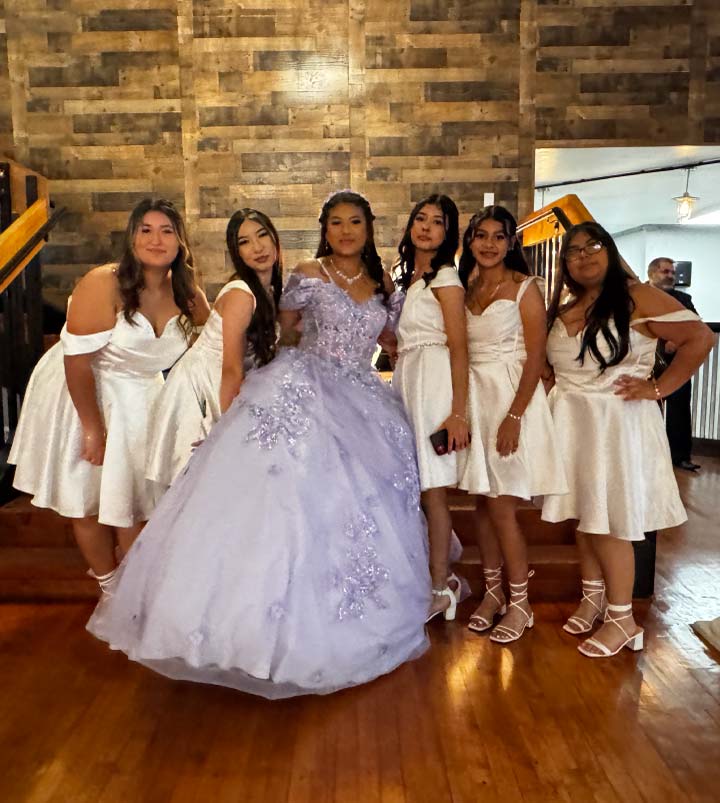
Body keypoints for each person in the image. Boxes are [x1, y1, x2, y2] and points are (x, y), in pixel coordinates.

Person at [87, 190, 431, 699]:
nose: (345, 231)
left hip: (362, 396)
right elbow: (281, 334)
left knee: (356, 497)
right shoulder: (307, 275)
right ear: (324, 228)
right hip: (305, 381)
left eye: (354, 221)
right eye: (335, 222)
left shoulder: (383, 283)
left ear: (368, 227)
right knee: (279, 489)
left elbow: (395, 338)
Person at [9, 199, 210, 594]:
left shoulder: (190, 295)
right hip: (83, 390)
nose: (156, 239)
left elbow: (214, 351)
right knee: (85, 495)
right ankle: (110, 585)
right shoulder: (104, 282)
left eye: (167, 230)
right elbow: (78, 362)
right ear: (131, 237)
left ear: (180, 241)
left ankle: (136, 589)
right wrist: (91, 428)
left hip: (142, 397)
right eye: (146, 230)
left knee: (130, 497)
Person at [542, 222, 714, 658]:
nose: (583, 256)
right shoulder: (570, 303)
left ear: (610, 250)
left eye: (593, 246)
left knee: (612, 521)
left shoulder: (636, 297)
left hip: (616, 425)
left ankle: (623, 618)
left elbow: (700, 338)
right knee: (584, 517)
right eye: (574, 250)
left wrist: (658, 388)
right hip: (575, 421)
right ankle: (593, 596)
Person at [456, 206, 567, 643]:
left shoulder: (526, 289)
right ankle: (492, 592)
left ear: (510, 243)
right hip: (475, 399)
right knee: (483, 504)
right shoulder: (465, 288)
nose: (488, 244)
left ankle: (521, 603)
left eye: (498, 237)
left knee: (503, 507)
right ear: (470, 242)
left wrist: (516, 415)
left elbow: (536, 356)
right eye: (480, 236)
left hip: (510, 397)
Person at [146, 209, 282, 488]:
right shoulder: (241, 295)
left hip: (225, 381)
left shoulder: (270, 290)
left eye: (262, 235)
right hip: (205, 386)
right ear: (236, 252)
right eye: (244, 242)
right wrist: (228, 432)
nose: (257, 248)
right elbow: (231, 369)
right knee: (199, 484)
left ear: (275, 239)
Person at [392, 194, 470, 622]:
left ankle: (440, 588)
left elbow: (460, 347)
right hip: (409, 373)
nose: (425, 227)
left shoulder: (447, 278)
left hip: (435, 379)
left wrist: (457, 412)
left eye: (436, 222)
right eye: (419, 218)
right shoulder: (408, 277)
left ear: (447, 232)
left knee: (433, 492)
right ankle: (430, 576)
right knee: (416, 487)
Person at [647, 257, 701, 472]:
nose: (671, 276)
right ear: (652, 274)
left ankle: (679, 456)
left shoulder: (683, 299)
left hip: (677, 362)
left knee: (679, 410)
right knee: (645, 407)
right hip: (645, 361)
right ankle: (647, 453)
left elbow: (695, 326)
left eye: (672, 272)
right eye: (665, 272)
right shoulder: (639, 296)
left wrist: (676, 340)